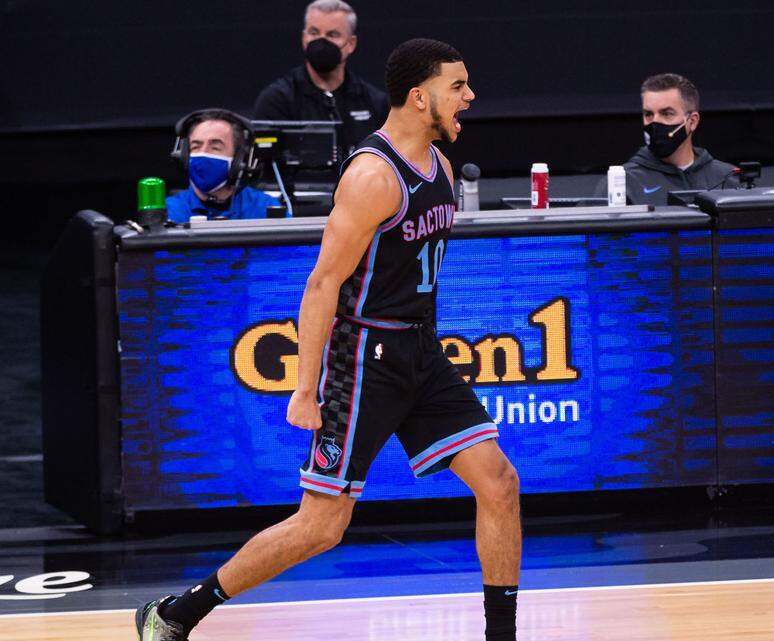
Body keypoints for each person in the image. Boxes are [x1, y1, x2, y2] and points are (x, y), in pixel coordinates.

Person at [137, 39, 521, 641]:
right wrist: (304, 389)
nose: (469, 97)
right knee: (322, 525)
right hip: (364, 358)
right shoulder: (372, 175)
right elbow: (321, 286)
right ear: (420, 98)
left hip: (420, 349)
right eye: (458, 86)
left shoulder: (441, 169)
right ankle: (177, 612)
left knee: (498, 482)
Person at [253, 0, 388, 164]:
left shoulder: (374, 103)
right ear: (304, 38)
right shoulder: (277, 99)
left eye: (332, 35)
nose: (321, 42)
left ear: (351, 44)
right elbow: (266, 169)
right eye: (314, 33)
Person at [596, 73, 738, 206]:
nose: (655, 122)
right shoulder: (622, 184)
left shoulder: (727, 178)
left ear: (692, 121)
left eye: (667, 113)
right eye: (648, 114)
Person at [165, 109, 280, 222]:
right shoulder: (167, 212)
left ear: (238, 159)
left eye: (215, 148)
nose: (203, 153)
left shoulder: (265, 208)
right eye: (196, 147)